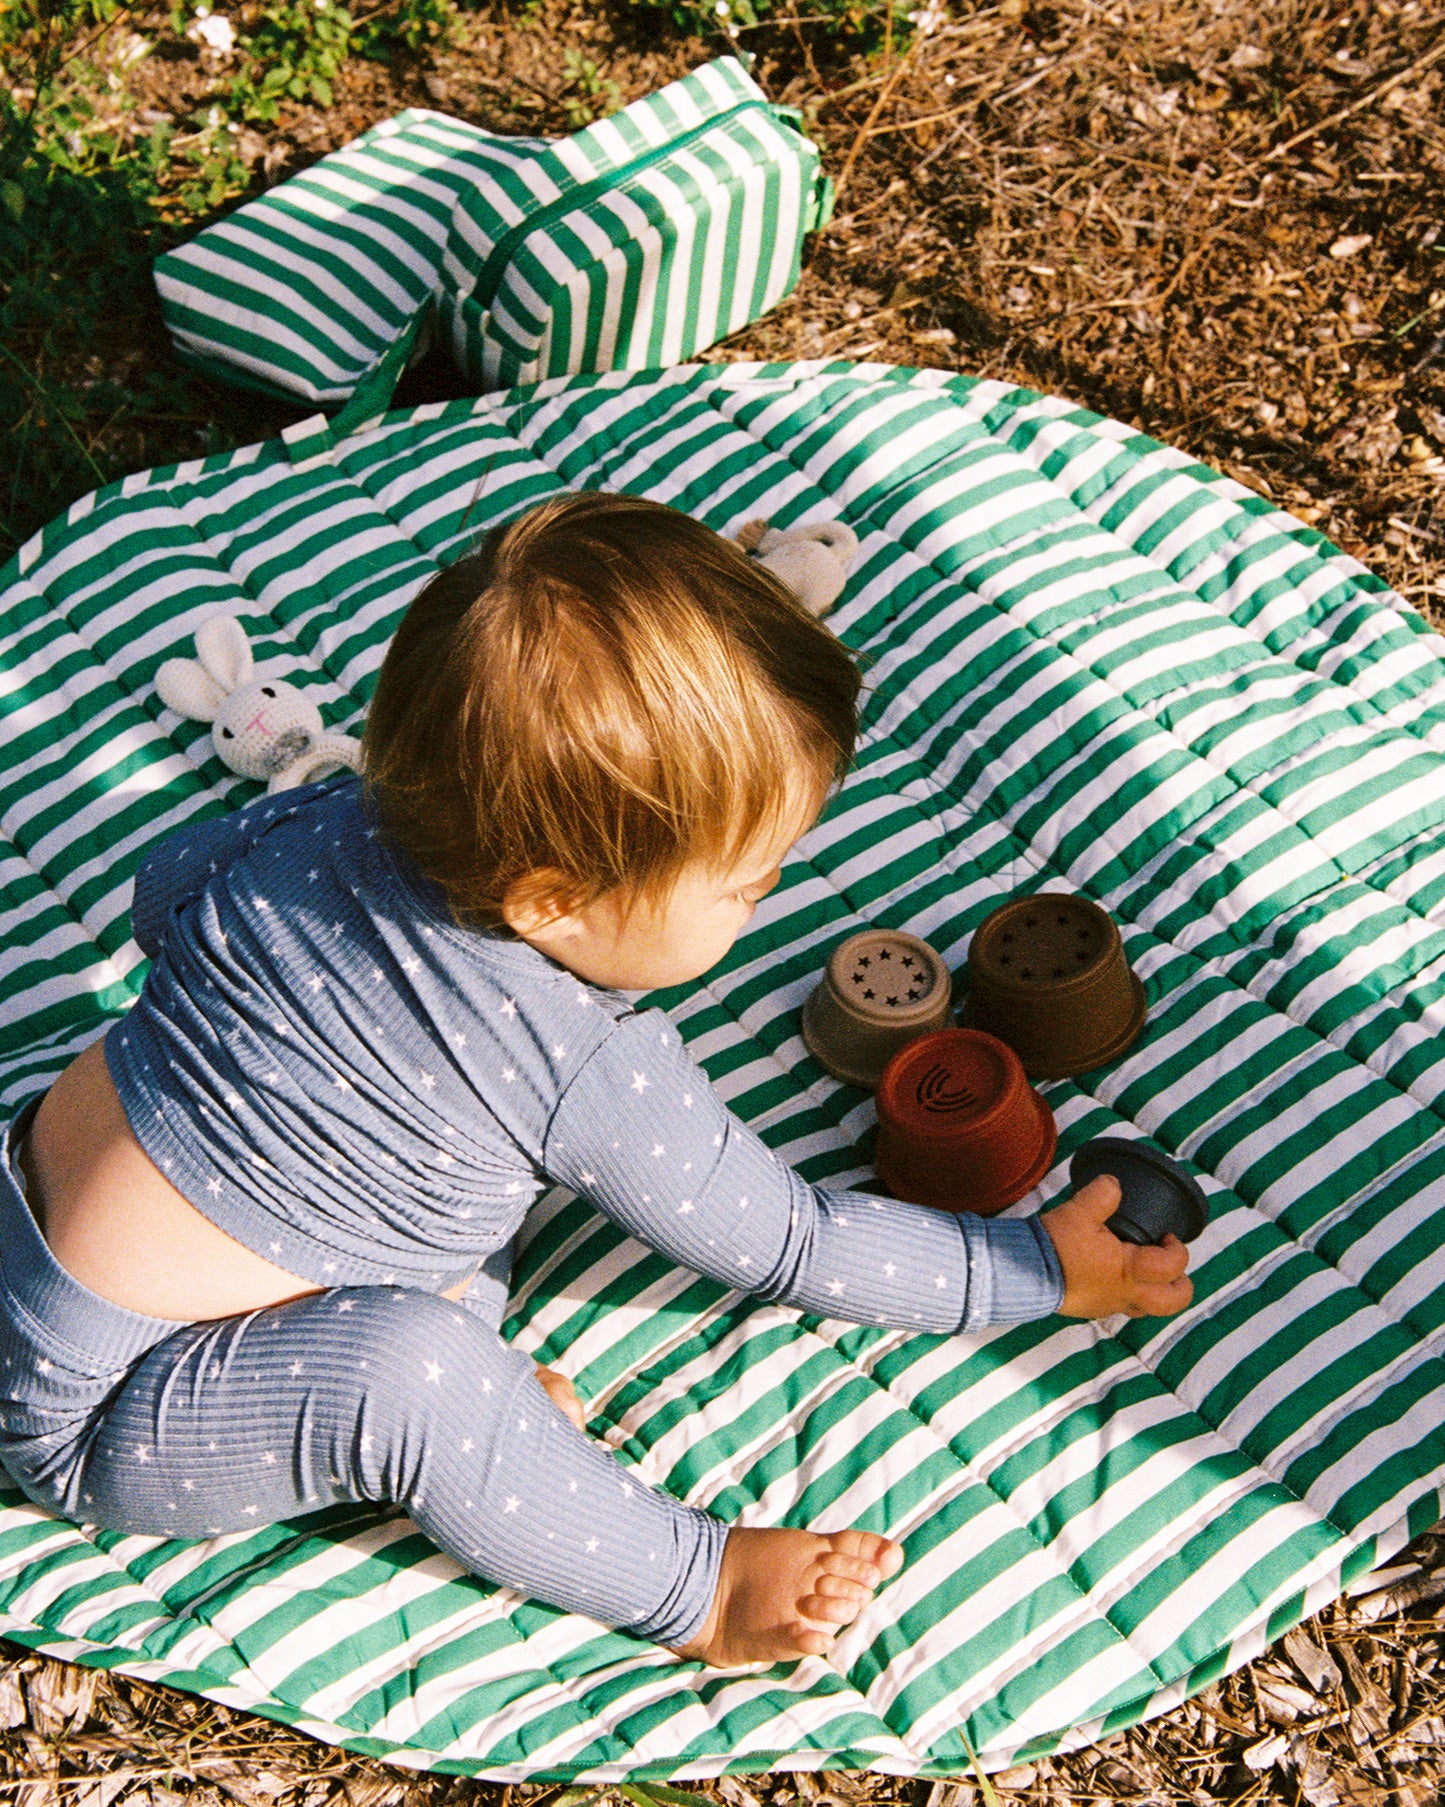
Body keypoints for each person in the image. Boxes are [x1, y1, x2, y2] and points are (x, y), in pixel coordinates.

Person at [0, 492, 1192, 1668]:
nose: (765, 899)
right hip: (106, 1413)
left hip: (27, 1207)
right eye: (747, 884)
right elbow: (791, 1241)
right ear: (550, 901)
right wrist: (1038, 1270)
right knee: (416, 1374)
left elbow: (164, 895)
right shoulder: (585, 1063)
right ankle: (699, 1587)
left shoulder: (323, 813)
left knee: (432, 1218)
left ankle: (484, 1411)